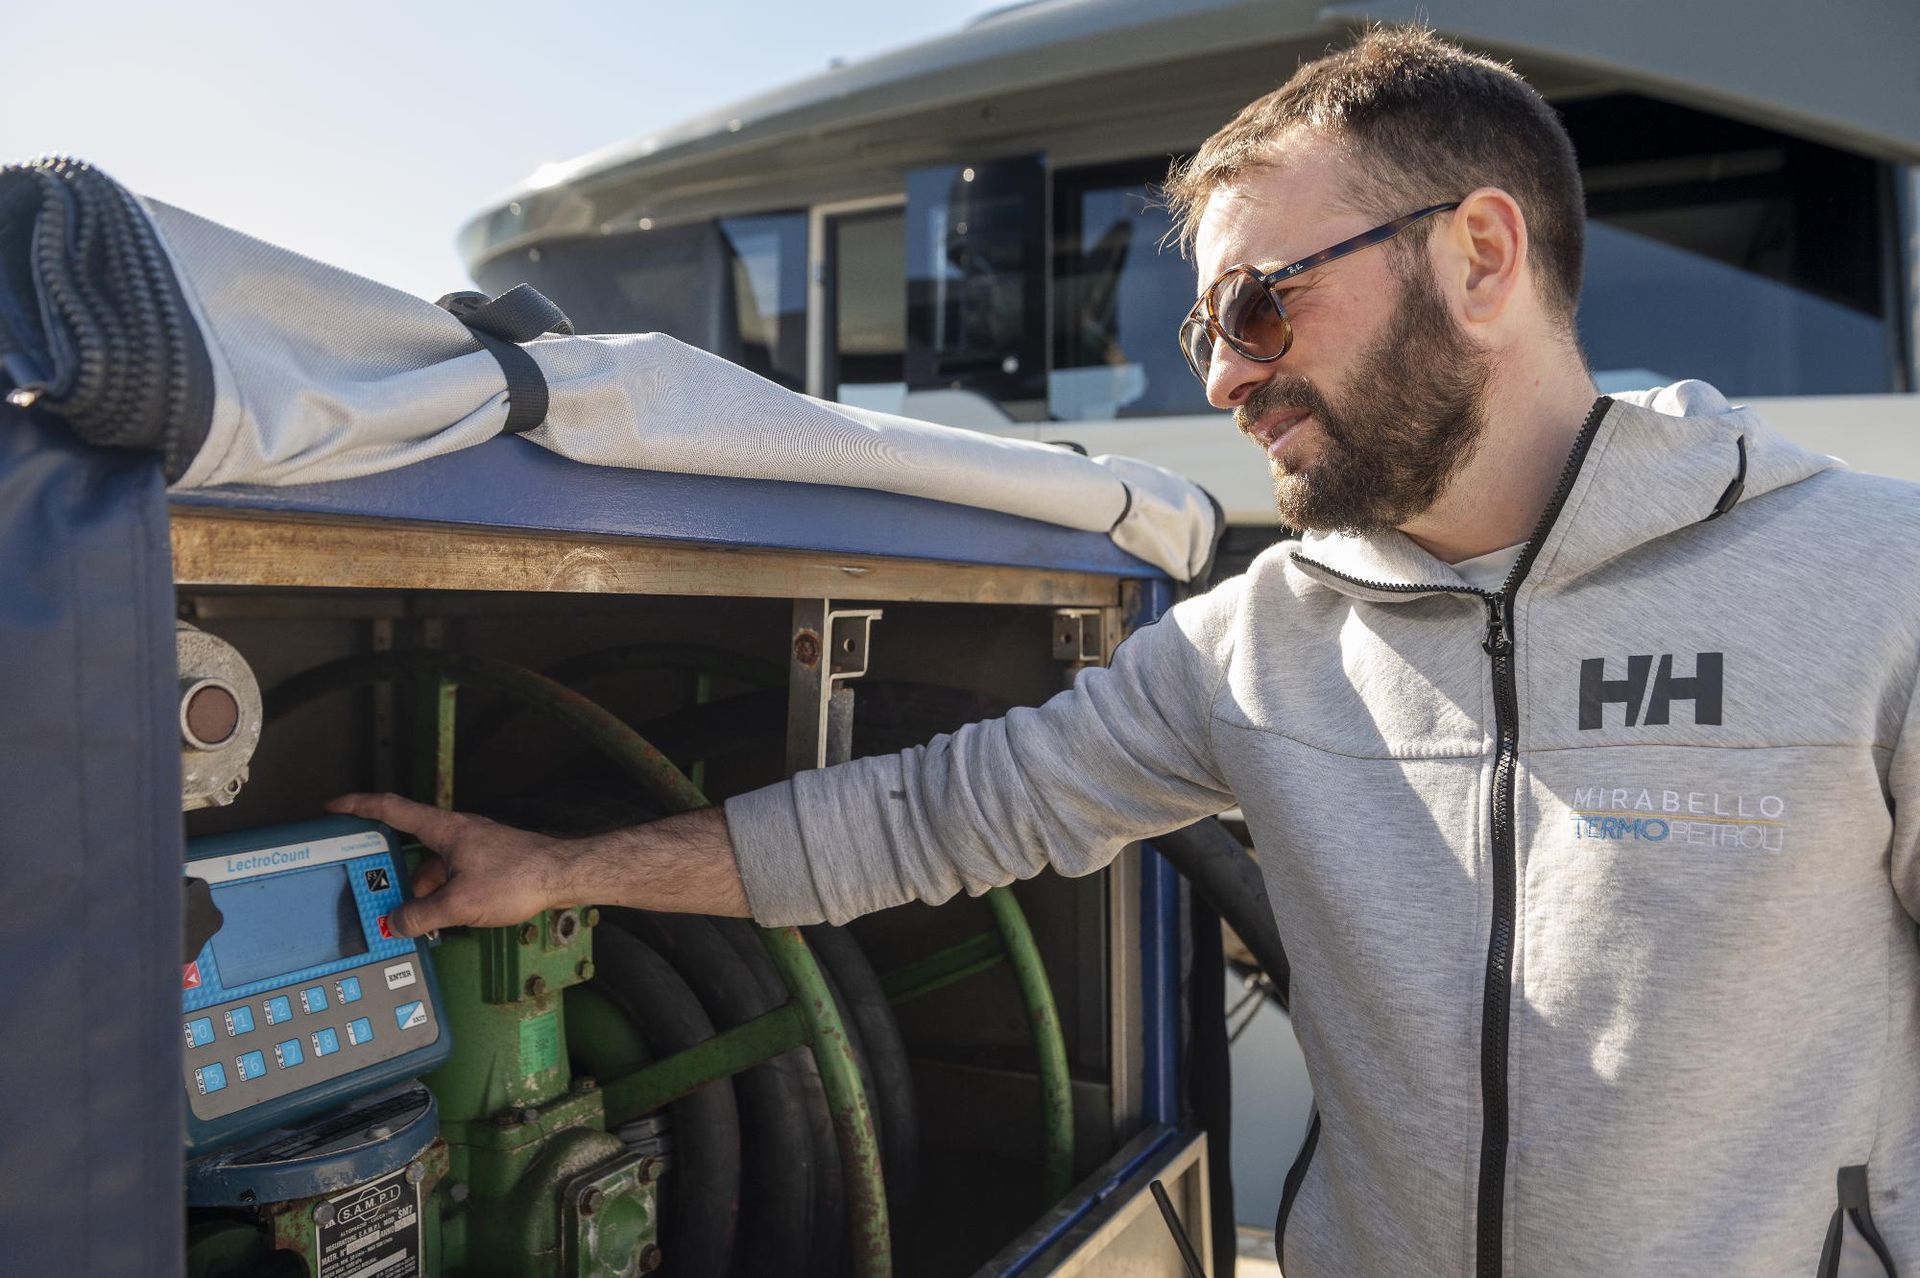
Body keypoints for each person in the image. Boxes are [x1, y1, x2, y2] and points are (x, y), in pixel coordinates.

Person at [329, 26, 1920, 1278]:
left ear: (1482, 257)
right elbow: (927, 818)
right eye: (1203, 334)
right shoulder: (1253, 647)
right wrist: (562, 869)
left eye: (1259, 307)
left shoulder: (1873, 582)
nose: (1225, 379)